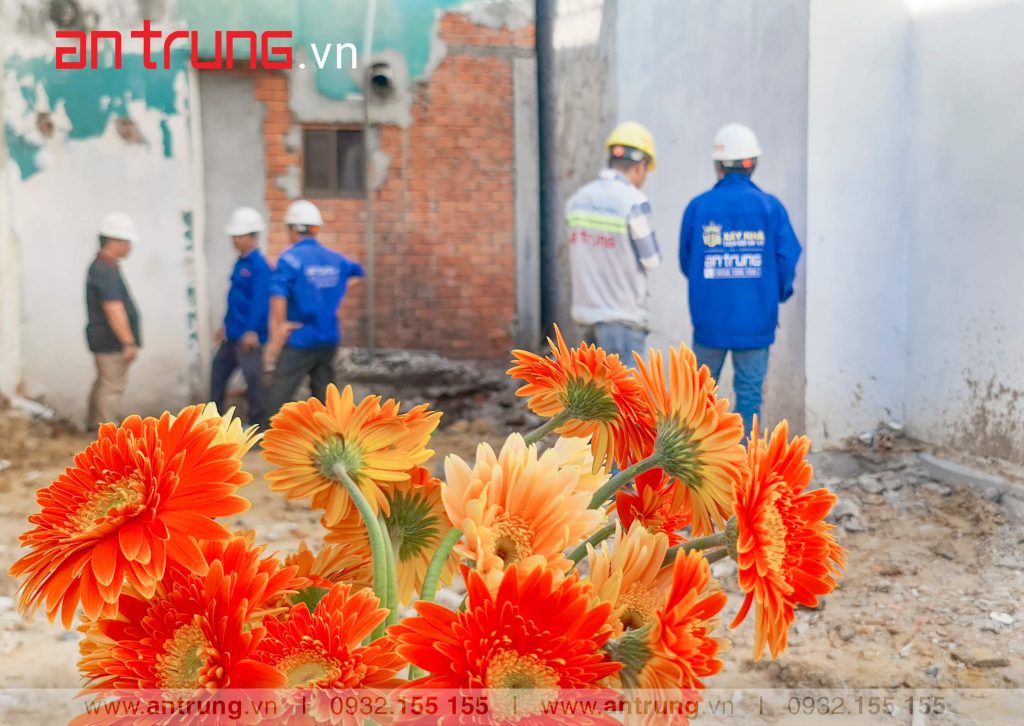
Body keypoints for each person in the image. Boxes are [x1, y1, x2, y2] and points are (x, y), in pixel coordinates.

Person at [679, 123, 802, 437]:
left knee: (698, 401)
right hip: (755, 322)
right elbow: (787, 260)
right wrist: (772, 292)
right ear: (752, 164)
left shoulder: (698, 207)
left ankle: (695, 462)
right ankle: (744, 462)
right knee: (749, 398)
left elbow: (687, 261)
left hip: (709, 321)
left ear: (718, 165)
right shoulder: (770, 208)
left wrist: (711, 284)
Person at [565, 121, 662, 363]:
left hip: (584, 318)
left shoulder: (577, 200)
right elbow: (651, 260)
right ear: (641, 166)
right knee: (622, 388)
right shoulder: (634, 202)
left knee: (589, 388)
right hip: (622, 321)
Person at [264, 200, 365, 419]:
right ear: (315, 229)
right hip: (329, 336)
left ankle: (267, 432)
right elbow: (359, 273)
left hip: (300, 336)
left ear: (293, 229)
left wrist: (280, 327)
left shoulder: (290, 259)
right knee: (325, 394)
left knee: (280, 390)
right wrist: (336, 289)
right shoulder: (336, 259)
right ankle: (329, 433)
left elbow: (278, 293)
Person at [210, 207, 271, 426]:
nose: (235, 240)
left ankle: (258, 426)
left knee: (254, 383)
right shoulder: (240, 263)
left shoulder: (260, 267)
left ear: (252, 237)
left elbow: (261, 302)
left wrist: (252, 331)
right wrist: (225, 326)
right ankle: (214, 422)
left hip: (248, 338)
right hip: (232, 336)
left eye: (239, 236)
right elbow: (235, 299)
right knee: (217, 375)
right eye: (233, 236)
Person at [85, 212, 141, 430]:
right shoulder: (105, 270)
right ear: (114, 241)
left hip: (103, 337)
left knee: (104, 383)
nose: (129, 247)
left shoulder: (103, 267)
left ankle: (94, 427)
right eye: (127, 242)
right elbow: (114, 308)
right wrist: (128, 342)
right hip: (111, 341)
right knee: (112, 388)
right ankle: (106, 433)